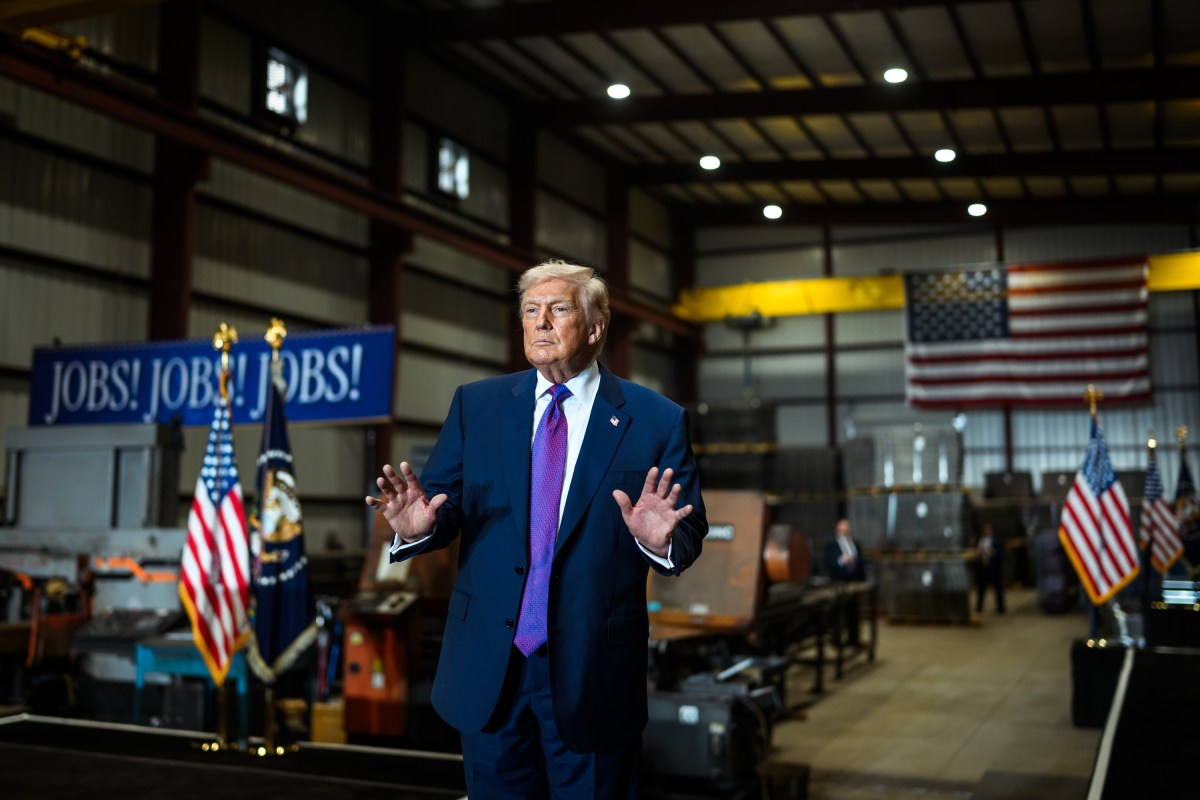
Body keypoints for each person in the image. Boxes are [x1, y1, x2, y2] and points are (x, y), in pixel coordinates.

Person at [366, 261, 708, 800]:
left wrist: (658, 540)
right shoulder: (475, 406)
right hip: (490, 671)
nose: (540, 322)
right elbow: (441, 506)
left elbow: (687, 538)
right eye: (530, 310)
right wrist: (418, 528)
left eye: (559, 309)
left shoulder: (656, 419)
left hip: (592, 675)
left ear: (595, 328)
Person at [824, 518, 865, 646]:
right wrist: (842, 560)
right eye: (842, 528)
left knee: (853, 612)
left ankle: (854, 639)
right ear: (838, 530)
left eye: (846, 528)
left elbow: (860, 562)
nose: (845, 531)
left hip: (853, 582)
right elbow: (828, 563)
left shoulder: (855, 544)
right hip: (839, 582)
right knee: (837, 613)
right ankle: (836, 640)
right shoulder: (831, 546)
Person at [975, 522, 1006, 614]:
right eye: (985, 529)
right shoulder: (980, 540)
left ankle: (1001, 608)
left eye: (988, 529)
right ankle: (979, 607)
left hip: (993, 568)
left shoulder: (996, 541)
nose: (987, 531)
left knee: (997, 588)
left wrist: (993, 554)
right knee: (981, 588)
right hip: (983, 567)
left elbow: (1002, 553)